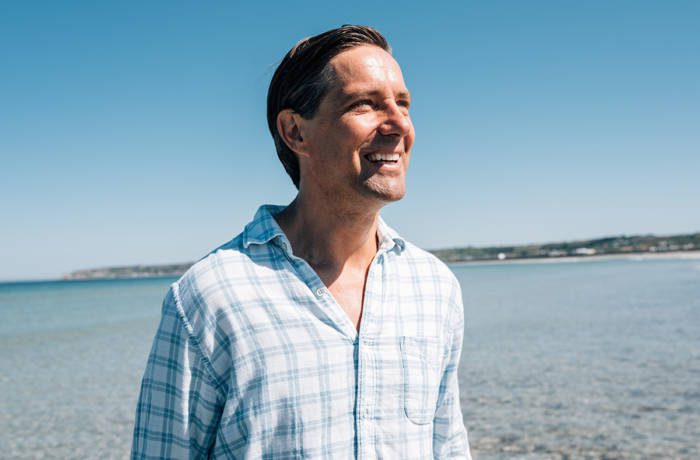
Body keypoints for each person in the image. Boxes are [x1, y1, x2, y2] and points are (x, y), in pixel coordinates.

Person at [131, 25, 471, 459]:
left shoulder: (434, 288)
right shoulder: (210, 297)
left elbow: (448, 448)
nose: (400, 124)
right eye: (365, 104)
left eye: (403, 104)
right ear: (295, 132)